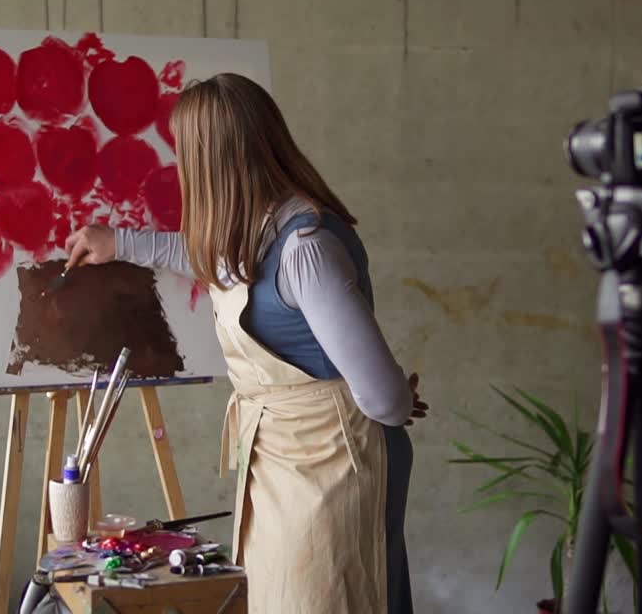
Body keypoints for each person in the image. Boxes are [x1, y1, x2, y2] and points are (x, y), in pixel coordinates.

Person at [64, 72, 427, 614]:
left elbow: (384, 402)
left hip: (336, 462)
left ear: (209, 159)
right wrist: (122, 243)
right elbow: (220, 263)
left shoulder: (307, 247)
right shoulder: (258, 228)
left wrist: (394, 397)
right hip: (290, 457)